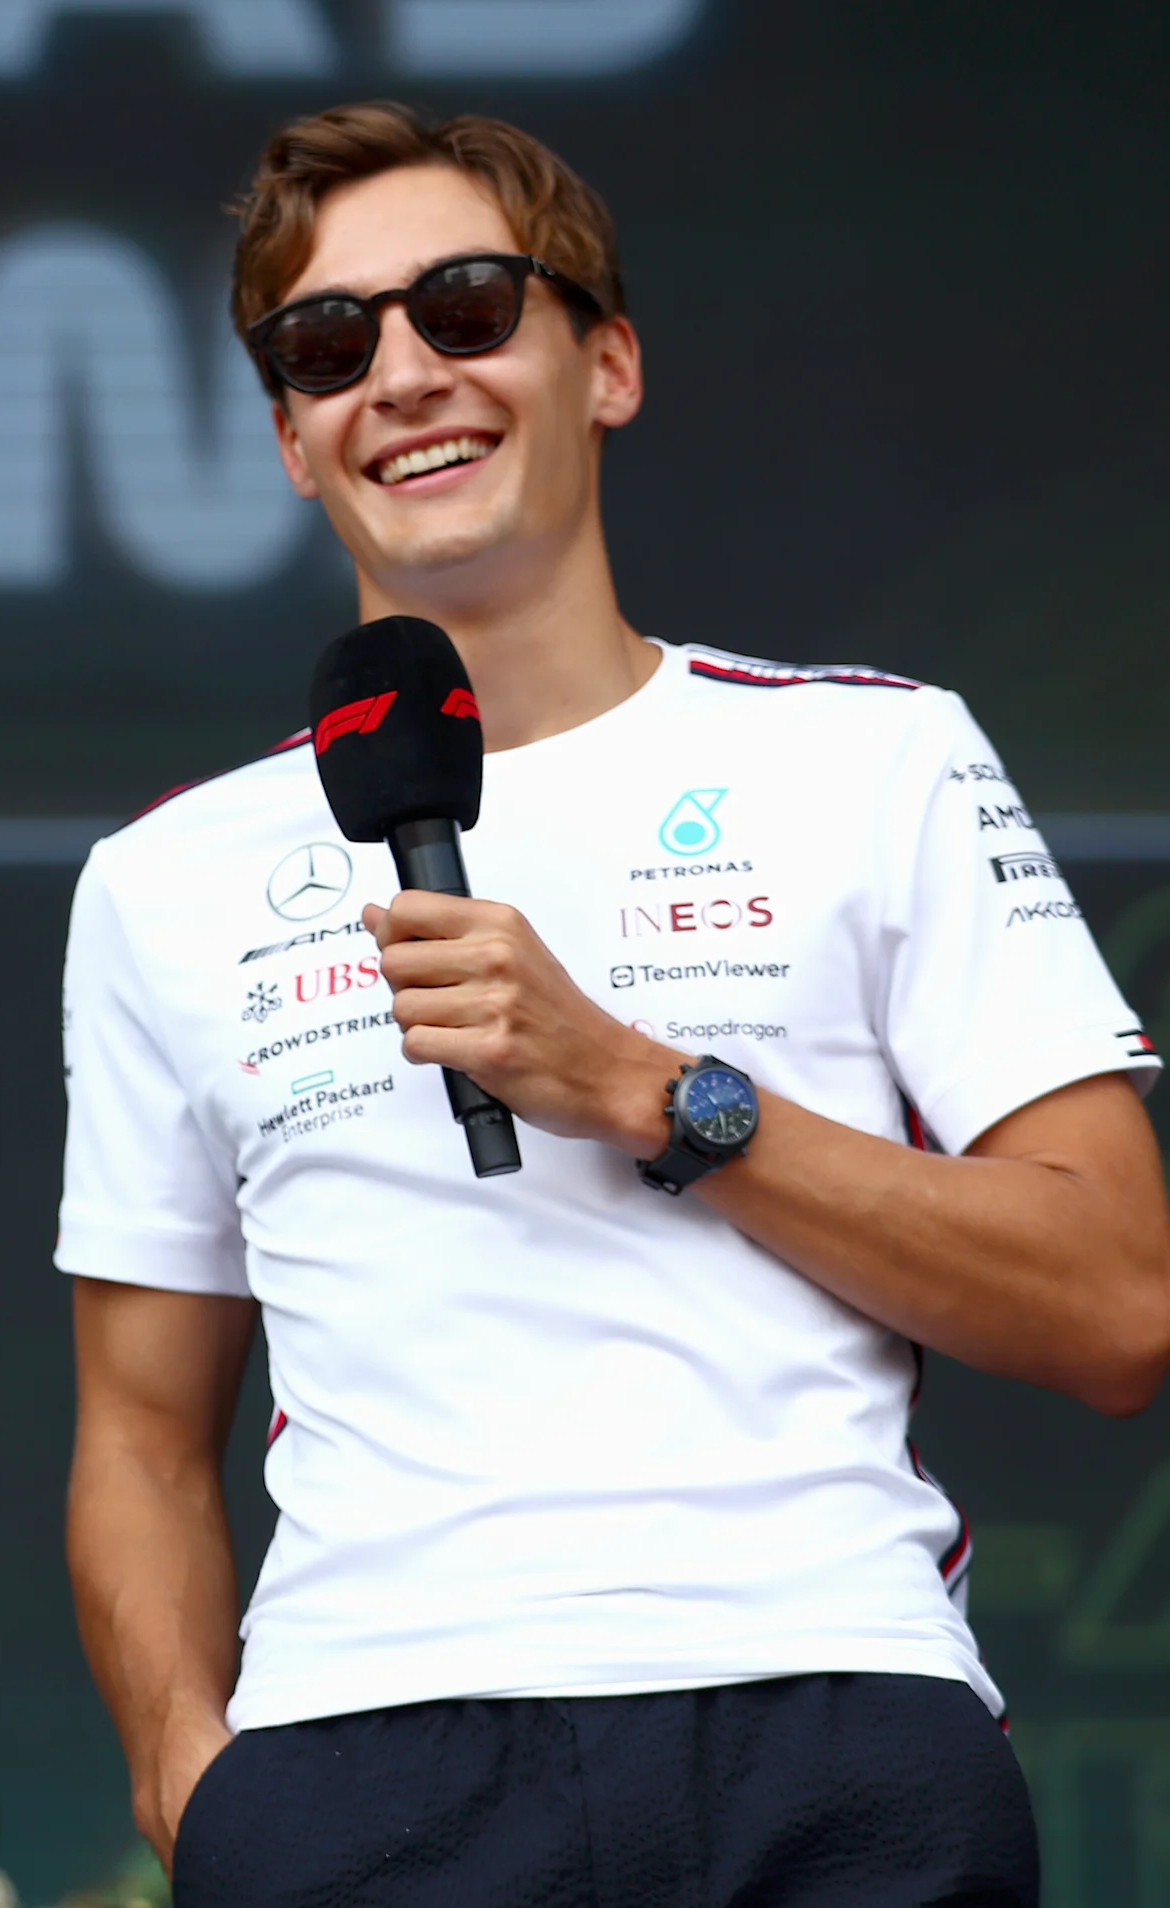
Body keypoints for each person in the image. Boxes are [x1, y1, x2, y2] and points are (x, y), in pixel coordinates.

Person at [58, 102, 1169, 1905]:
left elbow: (1119, 1303)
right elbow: (136, 1429)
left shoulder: (873, 759)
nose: (404, 373)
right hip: (364, 1759)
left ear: (611, 363)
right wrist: (199, 1783)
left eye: (471, 307)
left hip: (827, 1711)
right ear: (288, 437)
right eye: (331, 344)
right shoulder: (164, 879)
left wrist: (651, 1090)